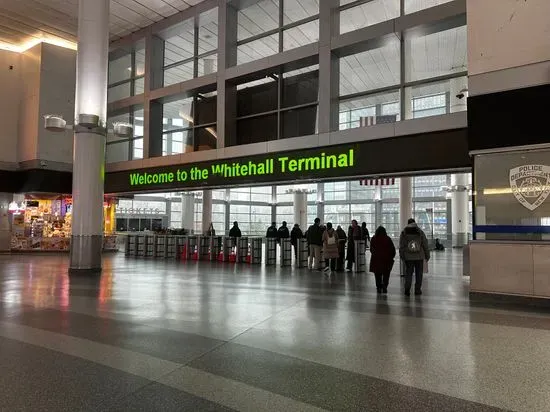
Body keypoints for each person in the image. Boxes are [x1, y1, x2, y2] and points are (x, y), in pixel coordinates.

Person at [399, 218, 430, 296]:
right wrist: (427, 255)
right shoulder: (420, 232)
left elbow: (401, 246)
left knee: (408, 273)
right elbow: (425, 244)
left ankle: (407, 289)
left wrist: (402, 256)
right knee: (419, 273)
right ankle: (417, 290)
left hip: (408, 257)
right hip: (419, 256)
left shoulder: (404, 233)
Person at [369, 226, 396, 294]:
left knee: (377, 275)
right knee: (386, 274)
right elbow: (392, 250)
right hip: (386, 260)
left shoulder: (374, 239)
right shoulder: (387, 239)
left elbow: (371, 249)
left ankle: (378, 287)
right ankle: (385, 286)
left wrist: (375, 254)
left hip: (376, 260)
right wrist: (391, 257)